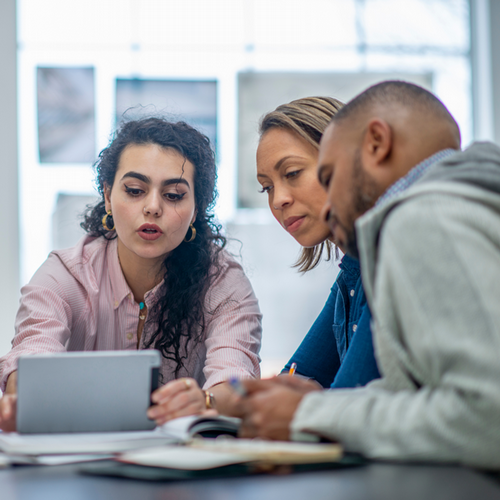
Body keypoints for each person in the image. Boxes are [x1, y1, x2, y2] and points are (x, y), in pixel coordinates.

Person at [237, 81, 500, 470]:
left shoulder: (424, 219)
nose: (280, 201)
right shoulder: (460, 210)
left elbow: (487, 418)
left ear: (376, 142)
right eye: (266, 189)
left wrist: (309, 414)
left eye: (327, 175)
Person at [0, 117, 262, 432]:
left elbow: (236, 382)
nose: (152, 207)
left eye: (174, 195)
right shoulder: (64, 276)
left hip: (182, 471)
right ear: (108, 196)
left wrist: (207, 402)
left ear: (197, 208)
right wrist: (24, 393)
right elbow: (31, 357)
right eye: (135, 190)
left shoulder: (223, 284)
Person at [256, 97, 379, 388]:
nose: (278, 200)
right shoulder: (349, 277)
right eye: (267, 188)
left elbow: (343, 404)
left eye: (292, 173)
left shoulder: (385, 265)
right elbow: (292, 381)